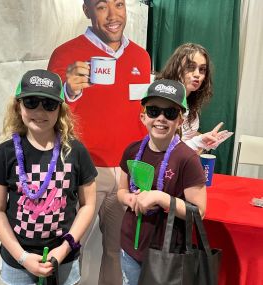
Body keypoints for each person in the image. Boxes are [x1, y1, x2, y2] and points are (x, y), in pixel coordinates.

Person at [47, 0, 151, 284]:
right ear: (87, 10)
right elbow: (45, 116)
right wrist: (68, 89)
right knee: (70, 251)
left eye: (119, 4)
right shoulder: (66, 55)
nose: (113, 15)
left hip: (126, 173)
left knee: (119, 253)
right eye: (102, 6)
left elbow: (137, 114)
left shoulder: (141, 57)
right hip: (82, 172)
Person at [0, 69, 97, 285]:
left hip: (64, 260)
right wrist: (23, 257)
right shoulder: (5, 154)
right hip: (17, 262)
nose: (40, 111)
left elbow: (88, 205)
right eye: (31, 102)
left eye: (49, 104)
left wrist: (64, 249)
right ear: (18, 106)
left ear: (60, 109)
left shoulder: (76, 151)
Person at [117, 79, 206, 285]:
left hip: (167, 253)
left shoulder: (187, 159)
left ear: (180, 121)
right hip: (131, 247)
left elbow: (199, 212)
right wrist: (131, 199)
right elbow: (121, 191)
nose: (161, 118)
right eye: (153, 111)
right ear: (143, 116)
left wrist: (161, 198)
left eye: (170, 113)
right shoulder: (132, 150)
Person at [155, 43, 230, 153]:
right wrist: (198, 141)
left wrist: (203, 141)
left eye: (202, 69)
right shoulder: (159, 97)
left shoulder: (192, 112)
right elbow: (161, 149)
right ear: (176, 67)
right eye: (190, 67)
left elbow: (179, 148)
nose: (197, 74)